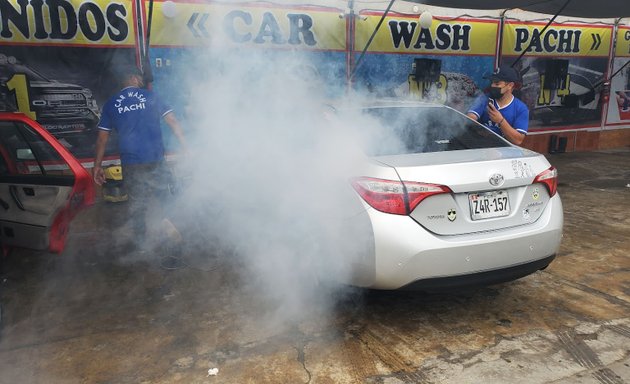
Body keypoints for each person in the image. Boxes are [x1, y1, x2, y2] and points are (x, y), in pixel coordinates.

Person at [93, 66, 186, 252]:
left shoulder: (111, 103)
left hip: (131, 162)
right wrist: (186, 146)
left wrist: (97, 166)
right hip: (155, 159)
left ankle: (141, 244)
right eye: (140, 78)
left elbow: (102, 138)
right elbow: (173, 121)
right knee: (165, 196)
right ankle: (169, 227)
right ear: (133, 78)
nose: (142, 81)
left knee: (137, 204)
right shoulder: (151, 96)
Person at [467, 64, 529, 145]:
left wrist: (501, 121)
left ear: (510, 85)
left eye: (497, 83)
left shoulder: (521, 108)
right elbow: (470, 118)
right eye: (492, 82)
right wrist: (477, 127)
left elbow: (518, 140)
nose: (492, 86)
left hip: (505, 153)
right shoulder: (484, 99)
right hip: (481, 148)